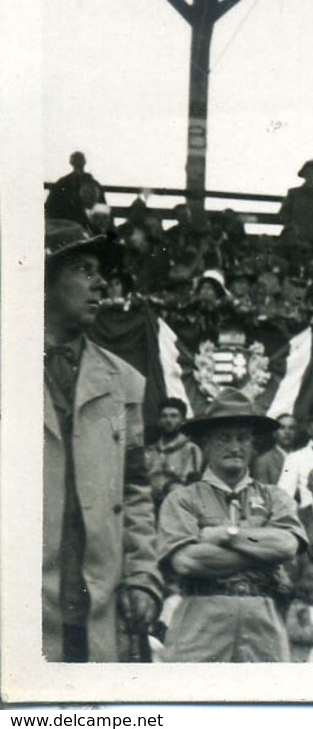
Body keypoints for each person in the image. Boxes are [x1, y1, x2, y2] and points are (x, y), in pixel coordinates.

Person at [43, 219, 163, 661]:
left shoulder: (123, 383)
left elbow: (134, 491)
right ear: (43, 280)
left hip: (95, 608)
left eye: (101, 272)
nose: (100, 284)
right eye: (83, 270)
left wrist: (142, 575)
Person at [156, 388, 306, 663]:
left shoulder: (274, 497)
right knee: (194, 696)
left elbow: (286, 545)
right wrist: (260, 553)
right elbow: (187, 562)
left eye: (242, 439)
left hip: (263, 620)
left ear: (253, 445)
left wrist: (224, 534)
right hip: (201, 618)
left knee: (267, 700)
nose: (235, 447)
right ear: (206, 444)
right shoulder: (182, 499)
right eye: (224, 439)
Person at [145, 397, 206, 511]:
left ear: (182, 420)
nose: (168, 420)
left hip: (176, 507)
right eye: (164, 416)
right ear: (158, 420)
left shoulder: (190, 449)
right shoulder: (150, 451)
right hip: (149, 507)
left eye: (174, 416)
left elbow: (189, 484)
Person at [279, 160, 313, 250]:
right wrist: (291, 227)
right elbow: (283, 213)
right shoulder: (293, 193)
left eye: (312, 172)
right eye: (308, 172)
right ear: (304, 174)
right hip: (294, 238)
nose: (310, 175)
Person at [45, 150, 106, 228]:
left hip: (64, 224)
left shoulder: (62, 182)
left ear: (71, 163)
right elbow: (102, 207)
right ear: (84, 162)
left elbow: (50, 207)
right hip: (84, 225)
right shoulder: (93, 183)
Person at [252, 412, 298, 486]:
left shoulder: (302, 457)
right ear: (274, 433)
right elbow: (262, 493)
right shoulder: (263, 461)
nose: (287, 432)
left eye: (291, 428)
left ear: (296, 433)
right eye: (282, 428)